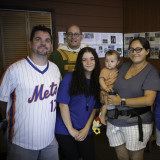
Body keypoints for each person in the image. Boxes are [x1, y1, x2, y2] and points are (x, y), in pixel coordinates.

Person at [0, 25, 61, 160]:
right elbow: (2, 102)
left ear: (51, 44)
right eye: (38, 39)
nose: (43, 43)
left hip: (49, 139)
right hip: (21, 141)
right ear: (30, 43)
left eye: (47, 40)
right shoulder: (14, 69)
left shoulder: (55, 69)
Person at [106, 37, 160, 160]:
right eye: (131, 49)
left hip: (136, 123)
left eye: (138, 49)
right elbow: (111, 84)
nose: (134, 52)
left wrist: (121, 101)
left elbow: (148, 100)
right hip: (114, 120)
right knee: (121, 157)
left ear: (147, 51)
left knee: (135, 157)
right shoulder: (123, 67)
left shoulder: (151, 72)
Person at [55, 47, 101, 160]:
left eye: (91, 59)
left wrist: (86, 129)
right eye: (84, 59)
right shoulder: (69, 77)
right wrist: (71, 130)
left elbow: (95, 108)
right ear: (80, 62)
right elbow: (62, 104)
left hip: (85, 128)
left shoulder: (98, 80)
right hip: (65, 129)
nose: (89, 62)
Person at [99, 50, 120, 125]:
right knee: (106, 104)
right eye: (107, 61)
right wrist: (105, 88)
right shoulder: (104, 70)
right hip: (106, 91)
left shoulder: (116, 70)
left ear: (117, 62)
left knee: (112, 105)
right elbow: (101, 80)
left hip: (112, 91)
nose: (109, 63)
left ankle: (109, 116)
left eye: (112, 61)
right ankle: (102, 116)